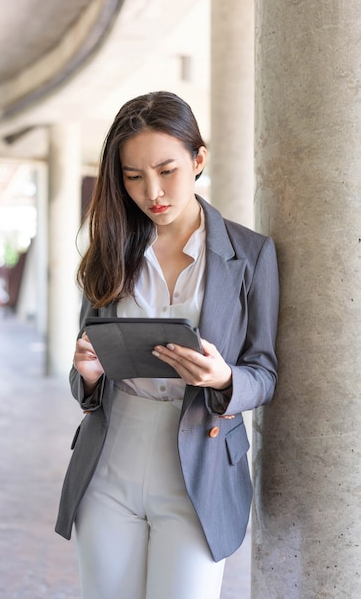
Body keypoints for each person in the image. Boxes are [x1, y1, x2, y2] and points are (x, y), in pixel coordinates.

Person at [55, 91, 279, 599]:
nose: (151, 191)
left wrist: (225, 379)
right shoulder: (109, 249)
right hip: (110, 459)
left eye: (166, 170)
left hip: (199, 464)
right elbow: (84, 374)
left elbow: (264, 370)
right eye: (133, 177)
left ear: (198, 159)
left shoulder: (252, 254)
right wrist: (87, 373)